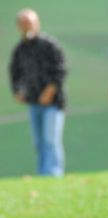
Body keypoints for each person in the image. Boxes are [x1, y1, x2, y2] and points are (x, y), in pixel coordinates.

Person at [9, 8, 67, 176]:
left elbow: (61, 69)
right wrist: (17, 91)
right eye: (24, 23)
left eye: (30, 22)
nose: (27, 26)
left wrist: (49, 91)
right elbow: (14, 73)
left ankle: (54, 173)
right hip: (33, 102)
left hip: (53, 103)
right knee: (39, 142)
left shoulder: (49, 45)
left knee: (51, 139)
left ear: (37, 23)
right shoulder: (20, 50)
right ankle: (43, 173)